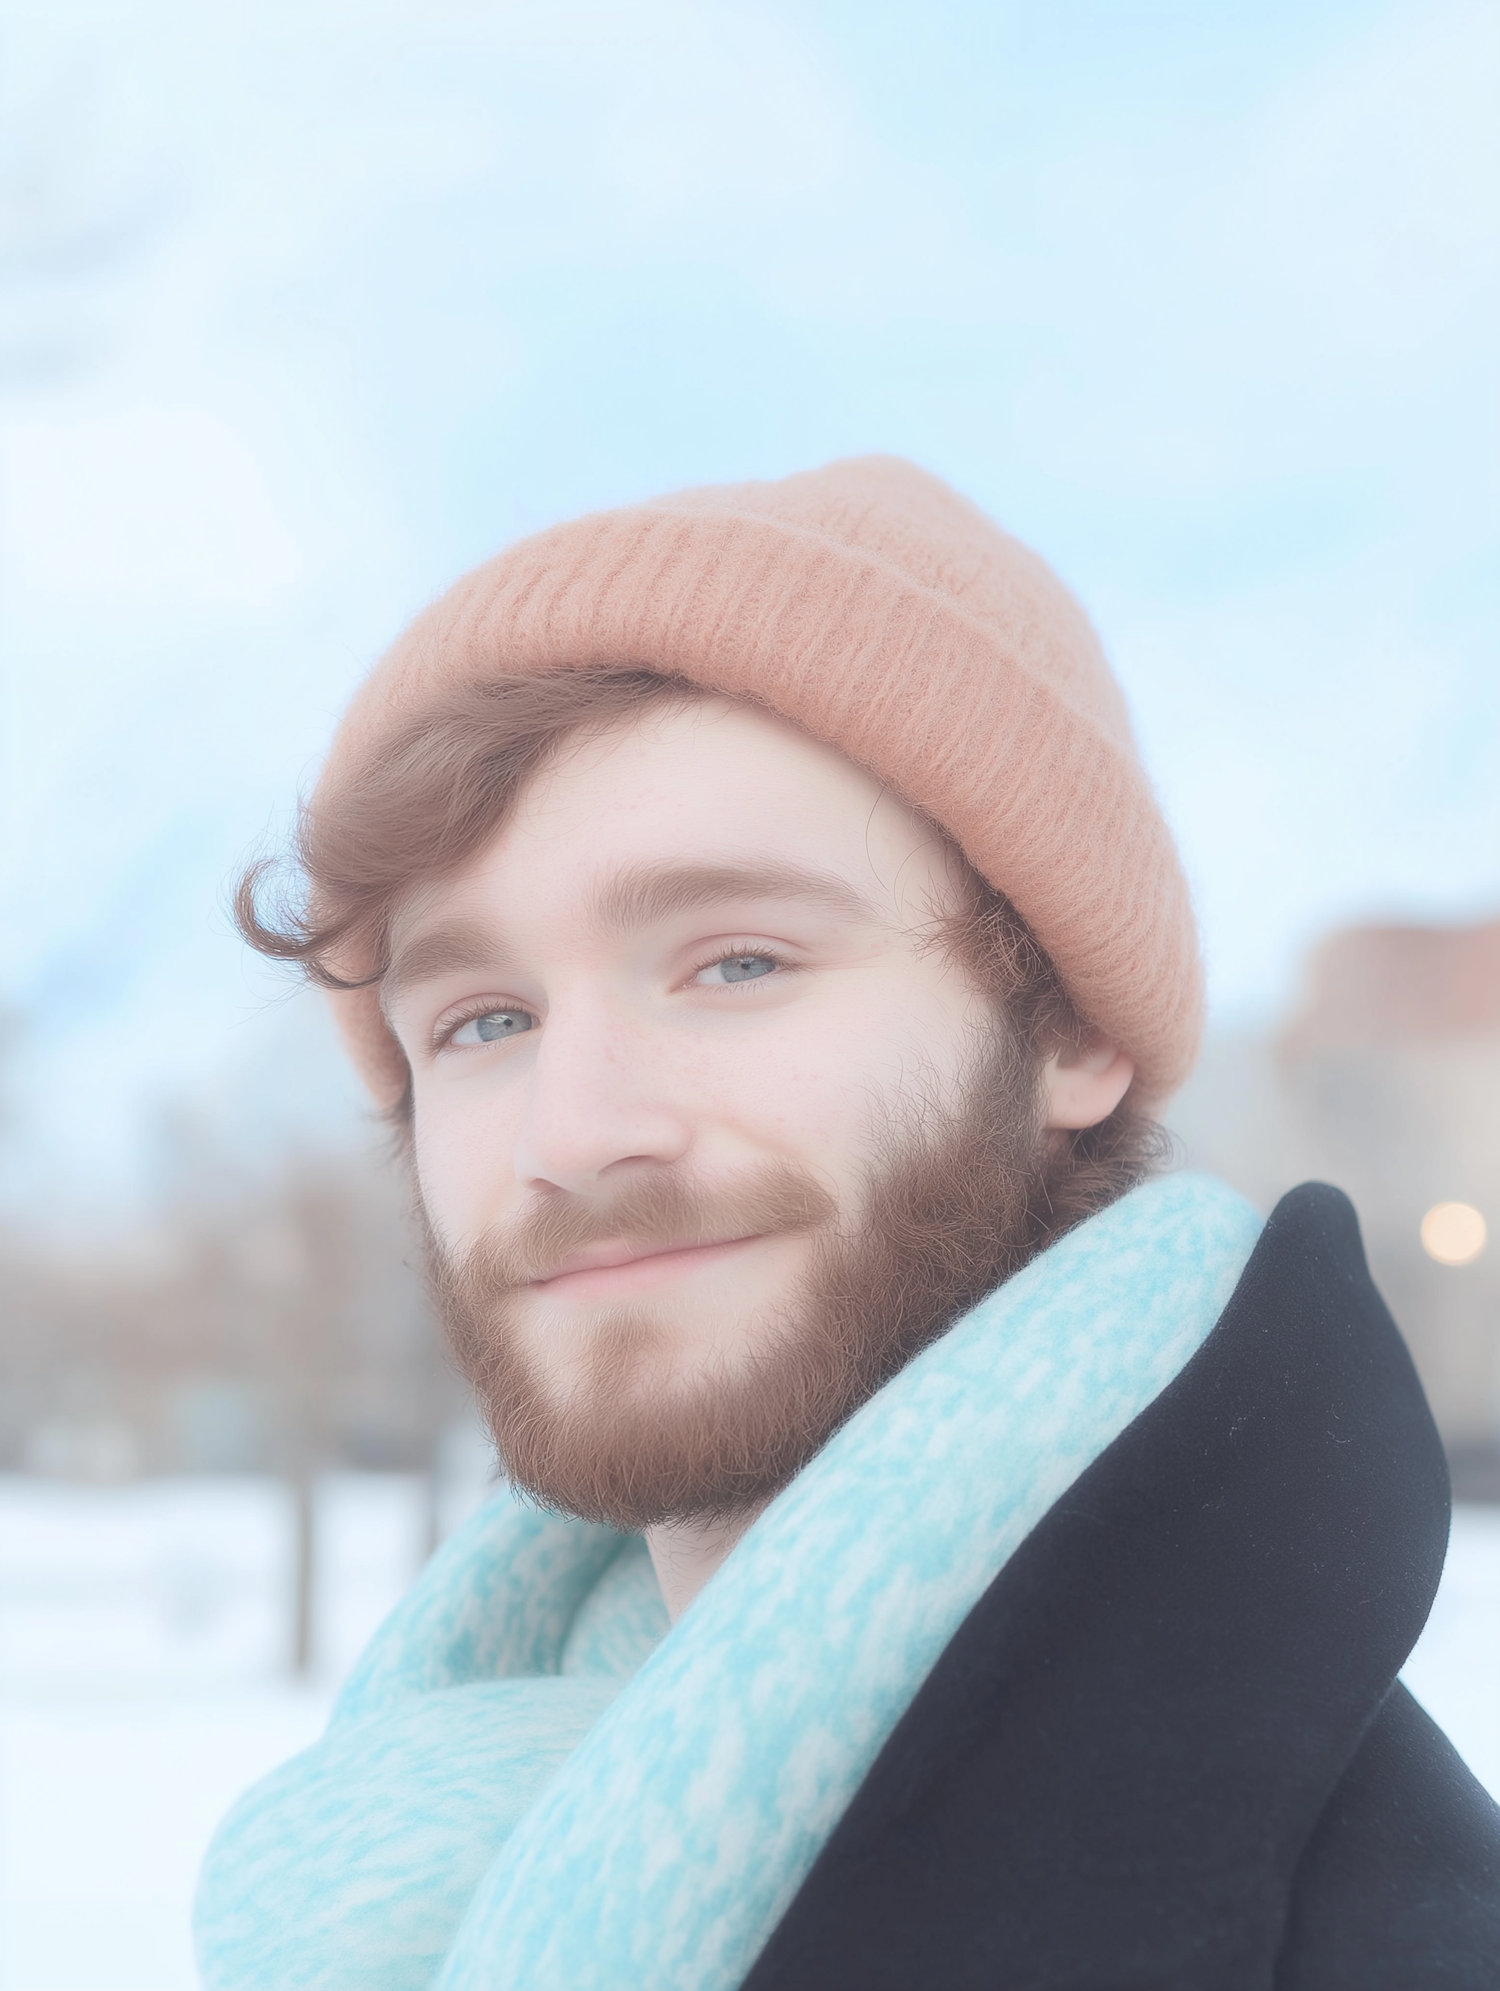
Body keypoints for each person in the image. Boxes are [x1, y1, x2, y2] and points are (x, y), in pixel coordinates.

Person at [195, 457, 1500, 1989]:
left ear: (1070, 1032)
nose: (575, 1129)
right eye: (483, 1021)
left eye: (737, 963)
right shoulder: (445, 1832)